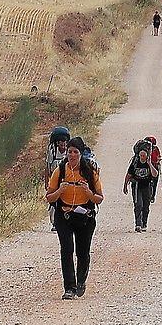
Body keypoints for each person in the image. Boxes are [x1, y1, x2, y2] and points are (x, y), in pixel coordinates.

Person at [46, 136, 104, 299]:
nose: (71, 155)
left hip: (85, 216)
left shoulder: (90, 172)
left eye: (75, 152)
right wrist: (60, 191)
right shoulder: (60, 171)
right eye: (70, 152)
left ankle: (81, 281)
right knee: (66, 250)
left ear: (80, 153)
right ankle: (69, 288)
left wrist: (88, 192)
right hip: (63, 215)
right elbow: (49, 197)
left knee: (82, 252)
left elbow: (99, 198)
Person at [123, 145, 158, 232]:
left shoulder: (150, 163)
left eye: (143, 155)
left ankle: (144, 223)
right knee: (138, 204)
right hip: (137, 186)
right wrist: (125, 185)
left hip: (147, 186)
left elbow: (155, 174)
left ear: (147, 155)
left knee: (146, 205)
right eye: (140, 155)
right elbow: (128, 175)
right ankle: (138, 224)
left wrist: (150, 164)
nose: (142, 157)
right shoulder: (135, 163)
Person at [44, 127, 70, 231]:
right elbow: (47, 168)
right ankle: (54, 223)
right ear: (57, 144)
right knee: (53, 203)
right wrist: (47, 182)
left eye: (64, 145)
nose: (63, 147)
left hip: (66, 181)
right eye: (61, 145)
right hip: (55, 181)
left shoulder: (69, 152)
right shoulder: (52, 152)